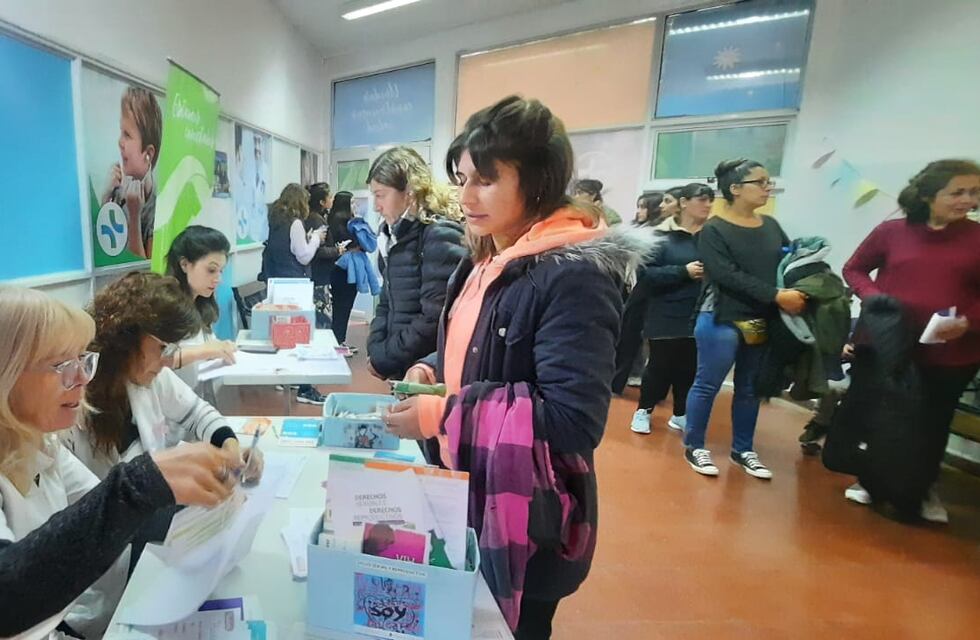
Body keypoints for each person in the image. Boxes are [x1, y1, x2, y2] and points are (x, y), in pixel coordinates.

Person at [384, 96, 647, 639]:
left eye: (485, 180)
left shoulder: (573, 274)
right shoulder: (488, 256)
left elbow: (574, 419)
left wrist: (441, 415)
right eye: (461, 179)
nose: (465, 197)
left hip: (523, 511)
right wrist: (434, 366)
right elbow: (477, 350)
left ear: (538, 181)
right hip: (465, 486)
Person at [0, 286, 243, 639]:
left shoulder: (45, 448)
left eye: (83, 361)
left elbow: (106, 515)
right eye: (60, 366)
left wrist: (203, 498)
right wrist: (143, 483)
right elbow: (7, 597)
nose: (83, 379)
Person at [842, 159, 980, 521]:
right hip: (887, 344)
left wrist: (968, 322)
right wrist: (872, 296)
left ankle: (921, 488)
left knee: (932, 422)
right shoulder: (892, 232)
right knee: (882, 414)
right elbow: (854, 268)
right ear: (929, 194)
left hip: (952, 351)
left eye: (975, 192)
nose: (968, 200)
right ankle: (872, 480)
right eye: (958, 192)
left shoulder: (977, 238)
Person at [64, 272, 263, 484]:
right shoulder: (75, 407)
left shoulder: (149, 374)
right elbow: (94, 499)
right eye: (162, 347)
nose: (168, 361)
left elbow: (197, 413)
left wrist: (229, 446)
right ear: (126, 339)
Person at [682, 159, 805, 479]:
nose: (767, 188)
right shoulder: (714, 229)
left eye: (768, 182)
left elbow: (788, 261)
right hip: (722, 317)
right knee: (707, 384)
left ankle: (743, 449)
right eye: (760, 182)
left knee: (749, 387)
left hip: (759, 318)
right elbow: (726, 274)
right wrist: (776, 295)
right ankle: (694, 446)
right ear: (735, 189)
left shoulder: (771, 226)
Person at [366, 147, 467, 381]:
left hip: (426, 373)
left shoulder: (439, 235)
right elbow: (386, 300)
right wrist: (377, 349)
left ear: (409, 193)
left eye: (381, 195)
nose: (375, 206)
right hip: (402, 366)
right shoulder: (394, 236)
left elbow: (434, 318)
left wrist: (385, 356)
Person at [630, 183, 712, 435]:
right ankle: (643, 410)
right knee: (660, 365)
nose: (708, 205)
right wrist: (682, 272)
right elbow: (645, 275)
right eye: (702, 199)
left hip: (699, 311)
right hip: (665, 310)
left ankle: (680, 414)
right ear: (684, 202)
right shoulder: (660, 236)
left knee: (688, 367)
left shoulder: (712, 237)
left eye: (710, 200)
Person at [261, 183, 326, 405]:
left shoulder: (275, 222)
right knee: (301, 337)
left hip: (277, 286)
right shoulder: (296, 223)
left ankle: (285, 377)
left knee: (283, 335)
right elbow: (304, 256)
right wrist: (315, 238)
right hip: (296, 287)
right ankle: (305, 389)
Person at [165, 225, 237, 393]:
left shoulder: (202, 304)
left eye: (220, 271)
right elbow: (159, 360)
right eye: (211, 270)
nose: (217, 279)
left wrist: (220, 347)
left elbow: (208, 346)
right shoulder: (166, 306)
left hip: (196, 401)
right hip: (169, 410)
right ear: (184, 264)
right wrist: (204, 350)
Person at [100, 86, 162, 259]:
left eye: (127, 135)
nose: (120, 142)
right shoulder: (117, 194)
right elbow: (105, 253)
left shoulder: (158, 210)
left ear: (148, 154)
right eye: (121, 133)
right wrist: (106, 199)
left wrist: (134, 217)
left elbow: (146, 275)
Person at [325, 191, 364, 354]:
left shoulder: (332, 221)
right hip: (346, 271)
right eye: (352, 202)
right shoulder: (346, 224)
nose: (355, 206)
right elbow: (360, 243)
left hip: (338, 272)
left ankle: (339, 341)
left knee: (340, 307)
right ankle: (338, 342)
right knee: (343, 307)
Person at [306, 182, 338, 330]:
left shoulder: (316, 217)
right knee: (323, 319)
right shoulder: (316, 220)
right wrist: (337, 251)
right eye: (329, 196)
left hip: (318, 275)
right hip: (318, 276)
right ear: (321, 202)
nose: (332, 199)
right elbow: (318, 250)